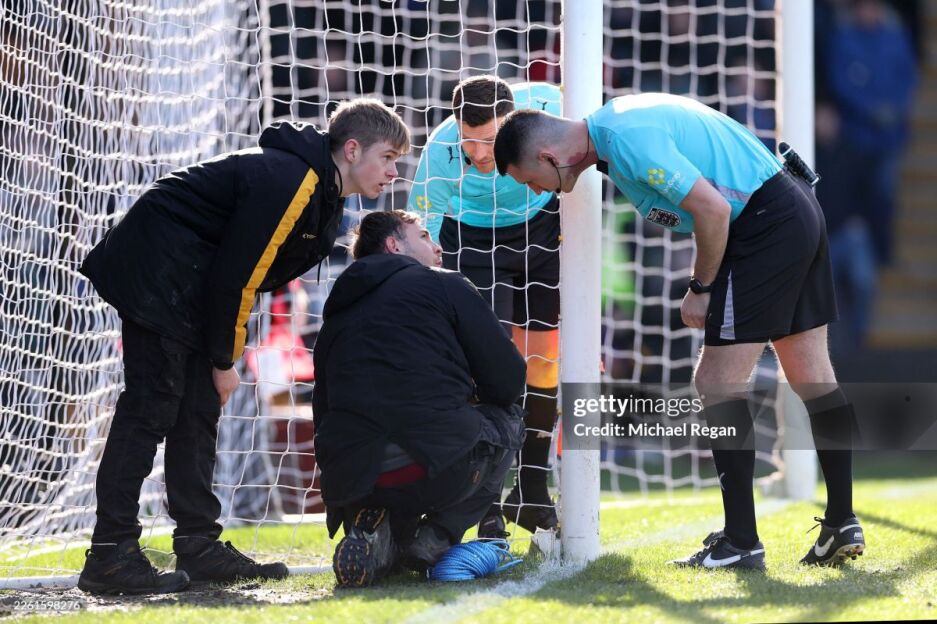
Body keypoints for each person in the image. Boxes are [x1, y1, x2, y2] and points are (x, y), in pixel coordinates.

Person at [494, 93, 865, 570]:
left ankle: (741, 542)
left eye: (530, 180)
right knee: (812, 374)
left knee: (716, 382)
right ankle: (841, 522)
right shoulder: (615, 131)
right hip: (792, 208)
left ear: (549, 156)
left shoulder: (624, 139)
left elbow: (713, 211)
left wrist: (701, 287)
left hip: (763, 225)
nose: (537, 191)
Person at [76, 98, 411, 595]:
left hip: (190, 281)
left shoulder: (324, 195)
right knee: (150, 408)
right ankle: (110, 553)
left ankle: (198, 543)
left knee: (197, 412)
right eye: (387, 157)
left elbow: (244, 277)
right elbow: (237, 275)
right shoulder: (295, 180)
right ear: (352, 149)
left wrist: (221, 354)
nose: (393, 171)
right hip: (158, 270)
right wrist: (223, 359)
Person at [313, 210, 527, 587]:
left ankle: (379, 535)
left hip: (353, 477)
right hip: (433, 464)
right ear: (394, 246)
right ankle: (435, 537)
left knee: (392, 438)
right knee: (509, 418)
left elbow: (322, 408)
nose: (438, 246)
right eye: (425, 236)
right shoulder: (445, 284)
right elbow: (508, 380)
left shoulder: (337, 313)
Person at [407, 76, 562, 538]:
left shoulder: (549, 106)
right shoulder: (440, 153)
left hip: (540, 227)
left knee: (544, 362)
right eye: (468, 141)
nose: (478, 154)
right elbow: (421, 231)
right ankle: (485, 502)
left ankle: (531, 491)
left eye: (489, 141)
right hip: (471, 240)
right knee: (487, 367)